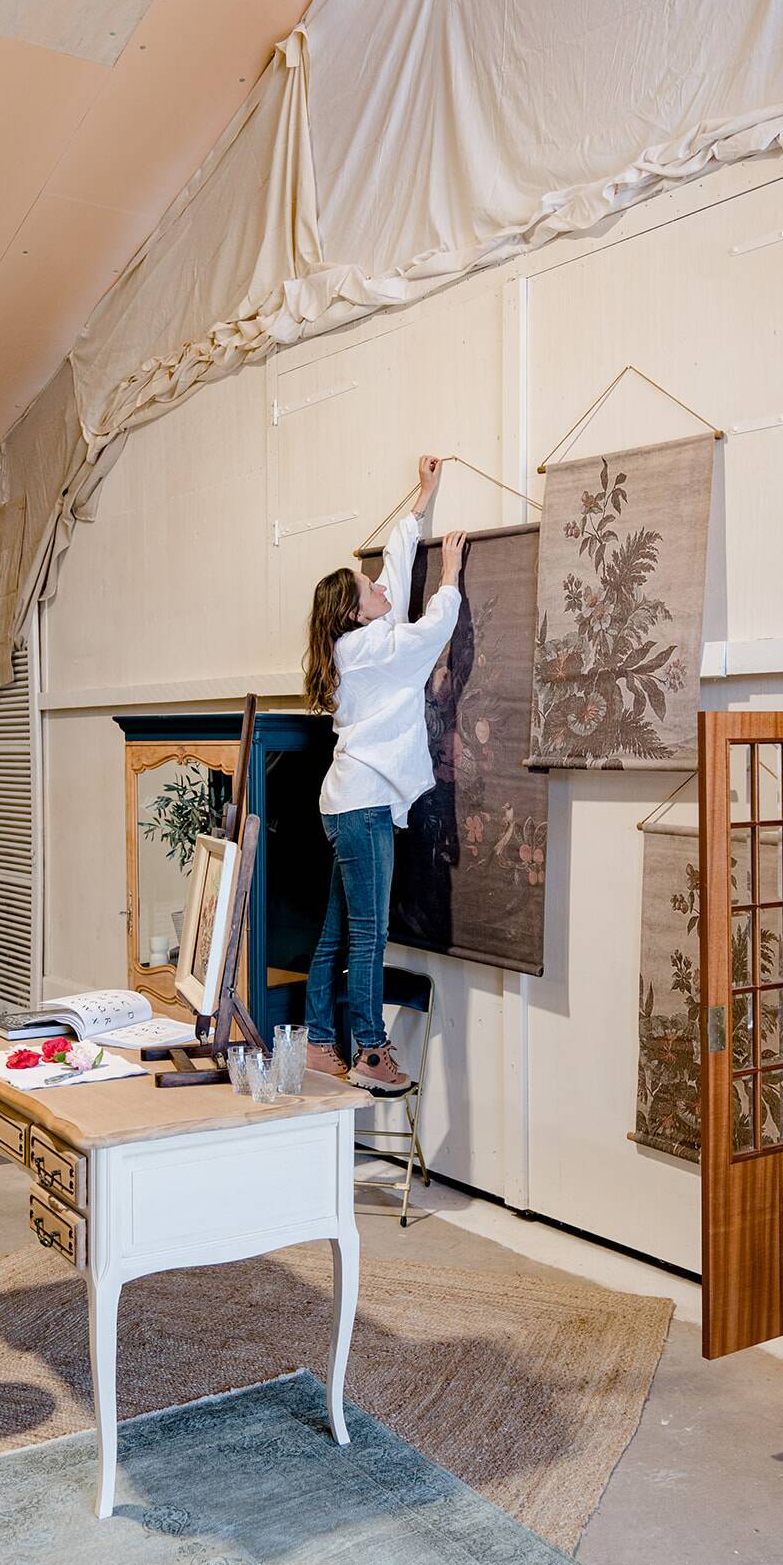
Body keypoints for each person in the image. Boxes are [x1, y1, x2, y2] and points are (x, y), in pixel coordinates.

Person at [302, 454, 466, 1095]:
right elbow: (427, 634)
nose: (378, 586)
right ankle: (371, 1053)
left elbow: (396, 574)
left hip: (343, 805)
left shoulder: (356, 646)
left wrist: (421, 502)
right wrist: (449, 574)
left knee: (337, 933)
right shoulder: (370, 649)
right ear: (356, 613)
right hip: (363, 806)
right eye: (366, 588)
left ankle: (320, 1043)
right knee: (368, 936)